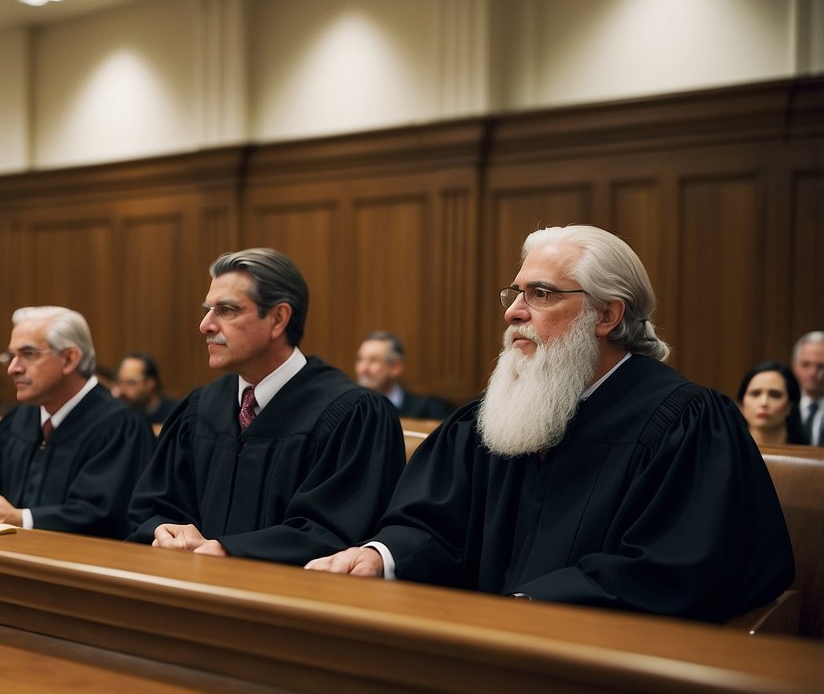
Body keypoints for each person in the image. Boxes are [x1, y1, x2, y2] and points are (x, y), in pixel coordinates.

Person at [306, 225, 794, 624]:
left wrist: (532, 609)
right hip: (480, 652)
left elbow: (674, 569)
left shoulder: (684, 422)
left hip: (603, 678)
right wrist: (382, 556)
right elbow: (435, 526)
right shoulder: (493, 419)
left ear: (607, 315)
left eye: (540, 294)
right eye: (515, 293)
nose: (514, 312)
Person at [127, 248, 406, 565]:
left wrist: (228, 550)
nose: (205, 325)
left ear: (278, 319)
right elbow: (152, 506)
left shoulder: (352, 414)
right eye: (208, 310)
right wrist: (164, 532)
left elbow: (337, 533)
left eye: (227, 310)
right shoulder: (200, 408)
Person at [0, 307, 155, 537]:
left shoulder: (121, 426)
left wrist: (21, 518)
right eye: (11, 356)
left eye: (28, 354)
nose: (13, 369)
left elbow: (104, 516)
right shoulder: (18, 420)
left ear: (69, 359)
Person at [355, 331, 452, 419]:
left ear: (396, 367)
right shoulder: (350, 409)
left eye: (374, 360)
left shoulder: (428, 411)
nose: (363, 369)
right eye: (360, 359)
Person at [737, 361, 807, 447]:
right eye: (755, 394)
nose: (764, 402)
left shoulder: (812, 456)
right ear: (742, 403)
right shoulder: (726, 453)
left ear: (790, 406)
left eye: (775, 395)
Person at [112, 352, 180, 425]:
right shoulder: (120, 412)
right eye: (119, 382)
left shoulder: (176, 414)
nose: (120, 391)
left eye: (130, 382)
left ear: (151, 384)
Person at [791, 331, 824, 446]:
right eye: (806, 364)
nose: (813, 372)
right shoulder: (783, 405)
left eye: (821, 366)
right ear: (794, 366)